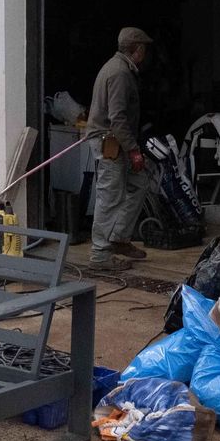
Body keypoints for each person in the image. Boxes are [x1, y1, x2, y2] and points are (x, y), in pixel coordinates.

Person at [88, 27, 153, 269]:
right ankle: (100, 255)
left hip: (116, 142)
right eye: (143, 49)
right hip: (111, 144)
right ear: (138, 50)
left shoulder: (118, 68)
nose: (145, 54)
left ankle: (119, 238)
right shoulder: (119, 74)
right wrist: (133, 149)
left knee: (140, 183)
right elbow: (117, 117)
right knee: (110, 197)